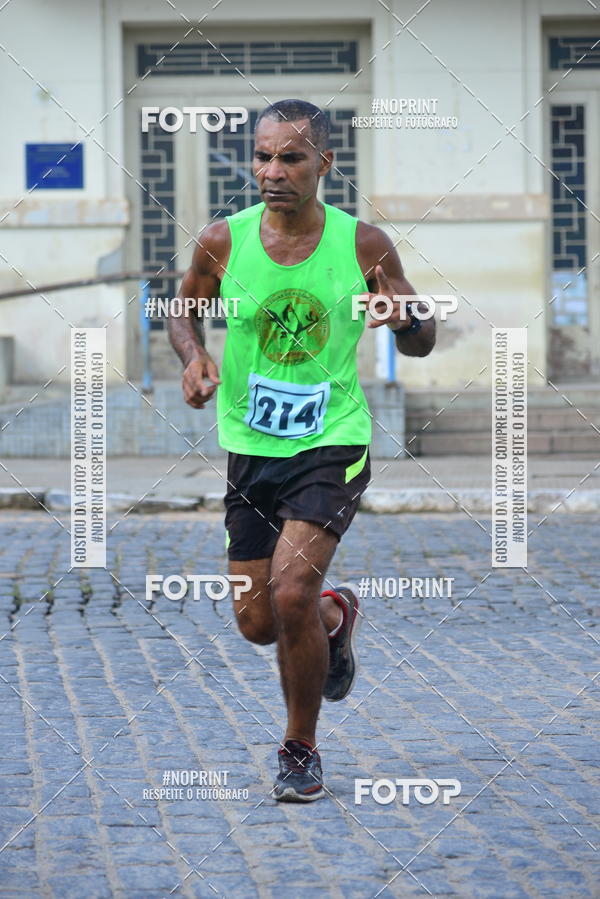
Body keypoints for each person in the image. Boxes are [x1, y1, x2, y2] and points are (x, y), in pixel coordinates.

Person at [169, 99, 435, 802]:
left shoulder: (364, 244)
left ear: (324, 162)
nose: (272, 171)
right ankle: (335, 615)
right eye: (262, 156)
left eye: (290, 157)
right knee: (260, 620)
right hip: (250, 449)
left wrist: (405, 318)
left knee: (290, 588)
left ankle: (299, 747)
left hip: (332, 440)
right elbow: (185, 305)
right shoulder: (223, 241)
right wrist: (192, 357)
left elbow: (421, 331)